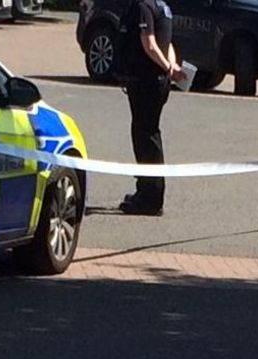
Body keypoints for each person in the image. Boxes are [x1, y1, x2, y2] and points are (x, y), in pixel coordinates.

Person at [115, 0, 185, 215]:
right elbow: (168, 44)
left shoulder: (143, 7)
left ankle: (150, 197)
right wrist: (171, 66)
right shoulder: (163, 7)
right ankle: (147, 191)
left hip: (146, 80)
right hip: (159, 81)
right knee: (149, 132)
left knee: (145, 135)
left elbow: (150, 43)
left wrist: (167, 68)